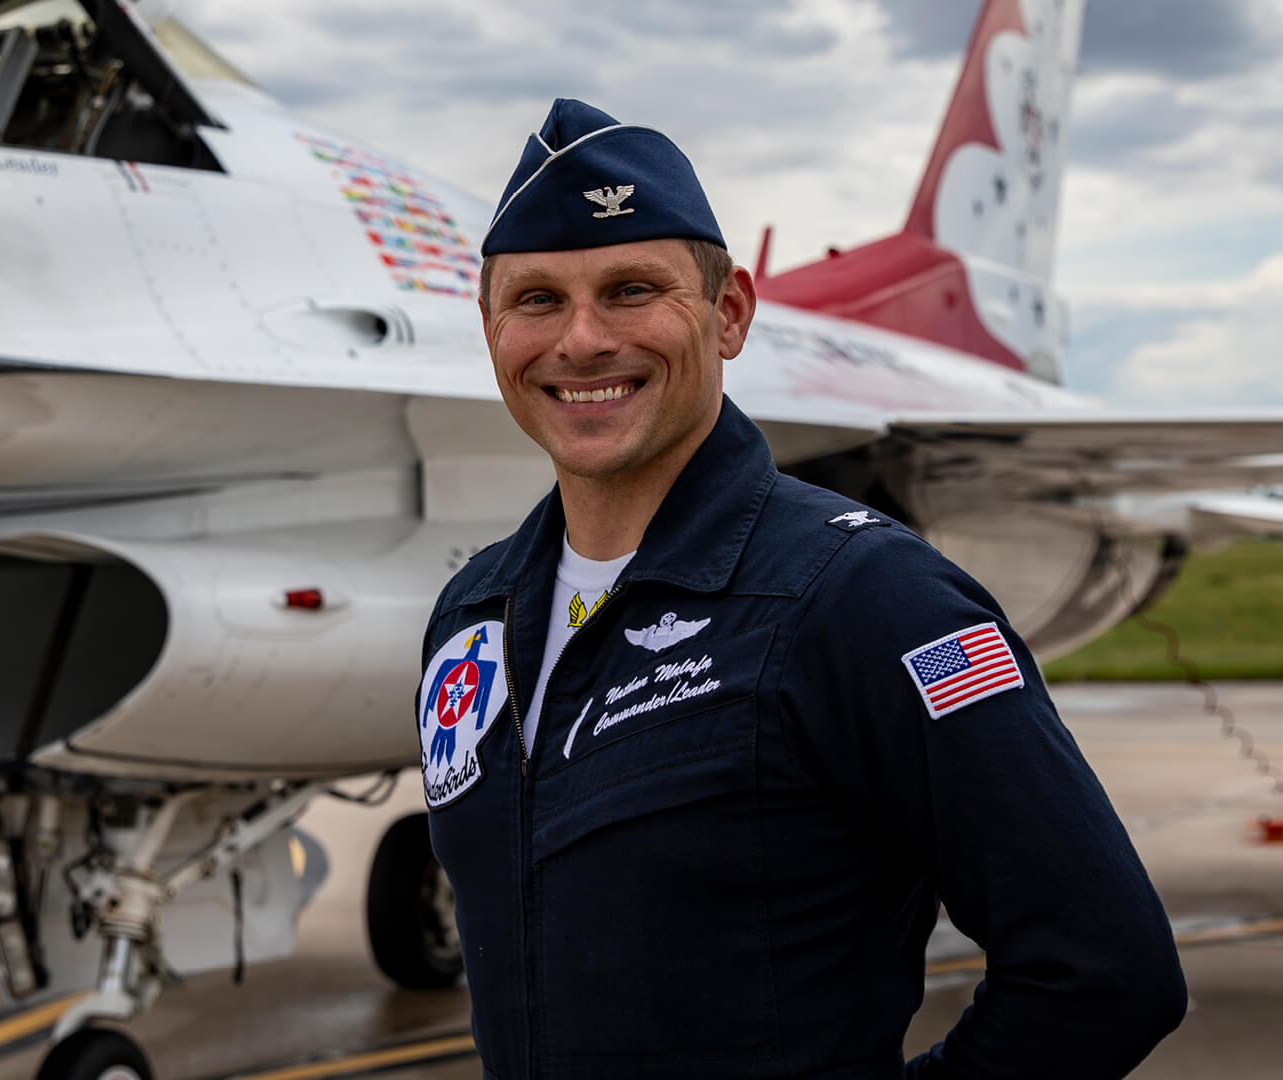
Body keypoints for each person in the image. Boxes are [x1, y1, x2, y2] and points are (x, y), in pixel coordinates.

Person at [415, 98, 1187, 1079]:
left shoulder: (863, 598)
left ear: (730, 312)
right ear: (489, 328)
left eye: (630, 290)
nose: (581, 341)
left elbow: (1105, 972)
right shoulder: (475, 617)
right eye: (535, 301)